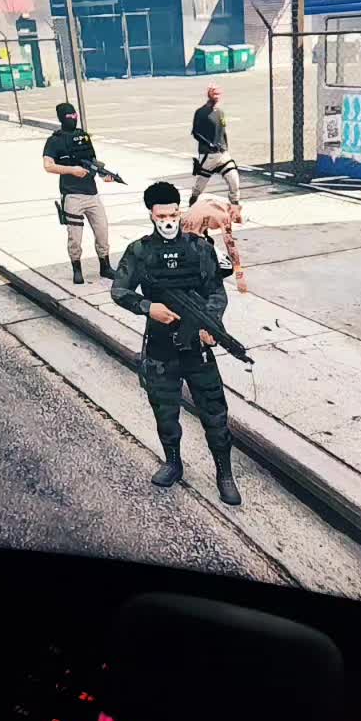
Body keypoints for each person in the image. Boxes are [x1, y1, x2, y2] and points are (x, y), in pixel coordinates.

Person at [111, 181, 242, 507]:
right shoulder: (140, 251)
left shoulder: (199, 249)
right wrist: (147, 307)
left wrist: (211, 324)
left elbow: (216, 291)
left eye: (173, 215)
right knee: (165, 412)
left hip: (197, 348)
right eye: (161, 216)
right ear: (151, 215)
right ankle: (173, 463)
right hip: (160, 347)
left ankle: (224, 474)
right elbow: (119, 290)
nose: (168, 222)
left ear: (180, 212)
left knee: (214, 413)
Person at [43, 102, 116, 284]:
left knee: (102, 231)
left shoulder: (83, 137)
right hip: (72, 195)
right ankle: (77, 269)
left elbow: (92, 161)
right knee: (75, 237)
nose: (73, 119)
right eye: (69, 116)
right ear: (62, 118)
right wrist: (72, 170)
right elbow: (48, 166)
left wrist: (103, 175)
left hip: (92, 193)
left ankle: (105, 266)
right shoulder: (54, 140)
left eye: (74, 115)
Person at [181, 194, 248, 293]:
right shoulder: (224, 216)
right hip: (189, 242)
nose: (233, 221)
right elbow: (230, 245)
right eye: (234, 219)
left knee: (209, 242)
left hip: (179, 236)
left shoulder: (211, 203)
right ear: (233, 212)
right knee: (227, 266)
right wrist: (239, 275)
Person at [190, 85, 241, 209]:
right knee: (200, 185)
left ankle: (235, 207)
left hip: (222, 154)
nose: (217, 96)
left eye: (218, 94)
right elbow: (195, 132)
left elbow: (223, 131)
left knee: (234, 179)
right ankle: (193, 202)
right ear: (209, 95)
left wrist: (226, 147)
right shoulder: (201, 112)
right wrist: (209, 144)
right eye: (214, 94)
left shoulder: (220, 112)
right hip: (208, 155)